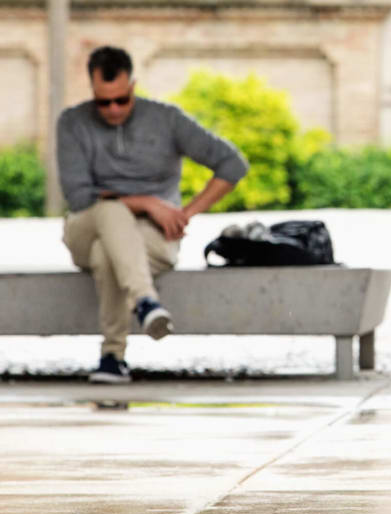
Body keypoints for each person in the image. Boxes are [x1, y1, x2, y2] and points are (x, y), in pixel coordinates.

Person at [57, 46, 249, 384]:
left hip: (153, 237)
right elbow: (79, 197)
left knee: (109, 254)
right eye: (103, 102)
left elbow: (232, 164)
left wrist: (186, 213)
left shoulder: (167, 119)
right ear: (92, 90)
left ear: (133, 86)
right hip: (87, 225)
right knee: (108, 214)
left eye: (121, 100)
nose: (113, 109)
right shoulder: (72, 123)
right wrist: (147, 202)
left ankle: (112, 359)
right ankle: (145, 301)